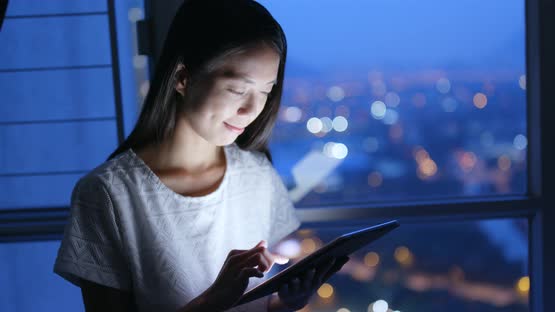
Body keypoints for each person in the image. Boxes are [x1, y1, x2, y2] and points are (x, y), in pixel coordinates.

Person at [53, 0, 348, 311]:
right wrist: (211, 301)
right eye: (237, 89)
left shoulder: (259, 174)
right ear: (183, 78)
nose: (251, 109)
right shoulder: (108, 194)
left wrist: (284, 303)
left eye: (265, 91)